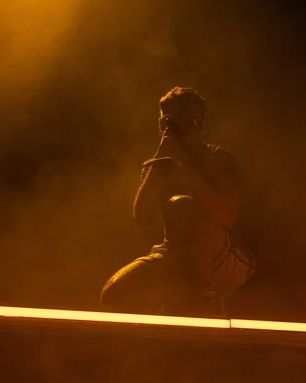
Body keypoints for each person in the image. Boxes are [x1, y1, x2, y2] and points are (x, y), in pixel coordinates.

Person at [100, 86, 256, 317]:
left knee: (183, 205)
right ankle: (167, 319)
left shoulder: (218, 159)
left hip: (225, 255)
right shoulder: (158, 167)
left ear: (199, 123)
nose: (174, 130)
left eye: (185, 121)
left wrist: (191, 180)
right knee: (115, 294)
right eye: (167, 122)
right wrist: (159, 161)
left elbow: (228, 217)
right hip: (176, 249)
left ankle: (206, 304)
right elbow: (142, 218)